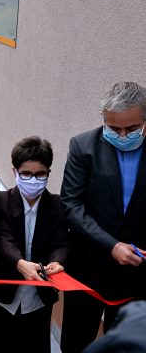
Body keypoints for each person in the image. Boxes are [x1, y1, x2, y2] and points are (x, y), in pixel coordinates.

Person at [60, 81, 146, 353]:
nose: (123, 135)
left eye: (131, 128)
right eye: (114, 128)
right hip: (88, 269)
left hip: (138, 274)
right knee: (76, 343)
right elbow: (71, 205)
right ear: (103, 118)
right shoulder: (83, 146)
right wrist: (112, 245)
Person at [0, 136, 68, 353]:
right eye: (26, 174)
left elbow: (61, 243)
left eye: (40, 174)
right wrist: (19, 263)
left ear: (48, 173)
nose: (33, 180)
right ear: (14, 171)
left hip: (37, 304)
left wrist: (57, 261)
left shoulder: (57, 205)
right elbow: (2, 238)